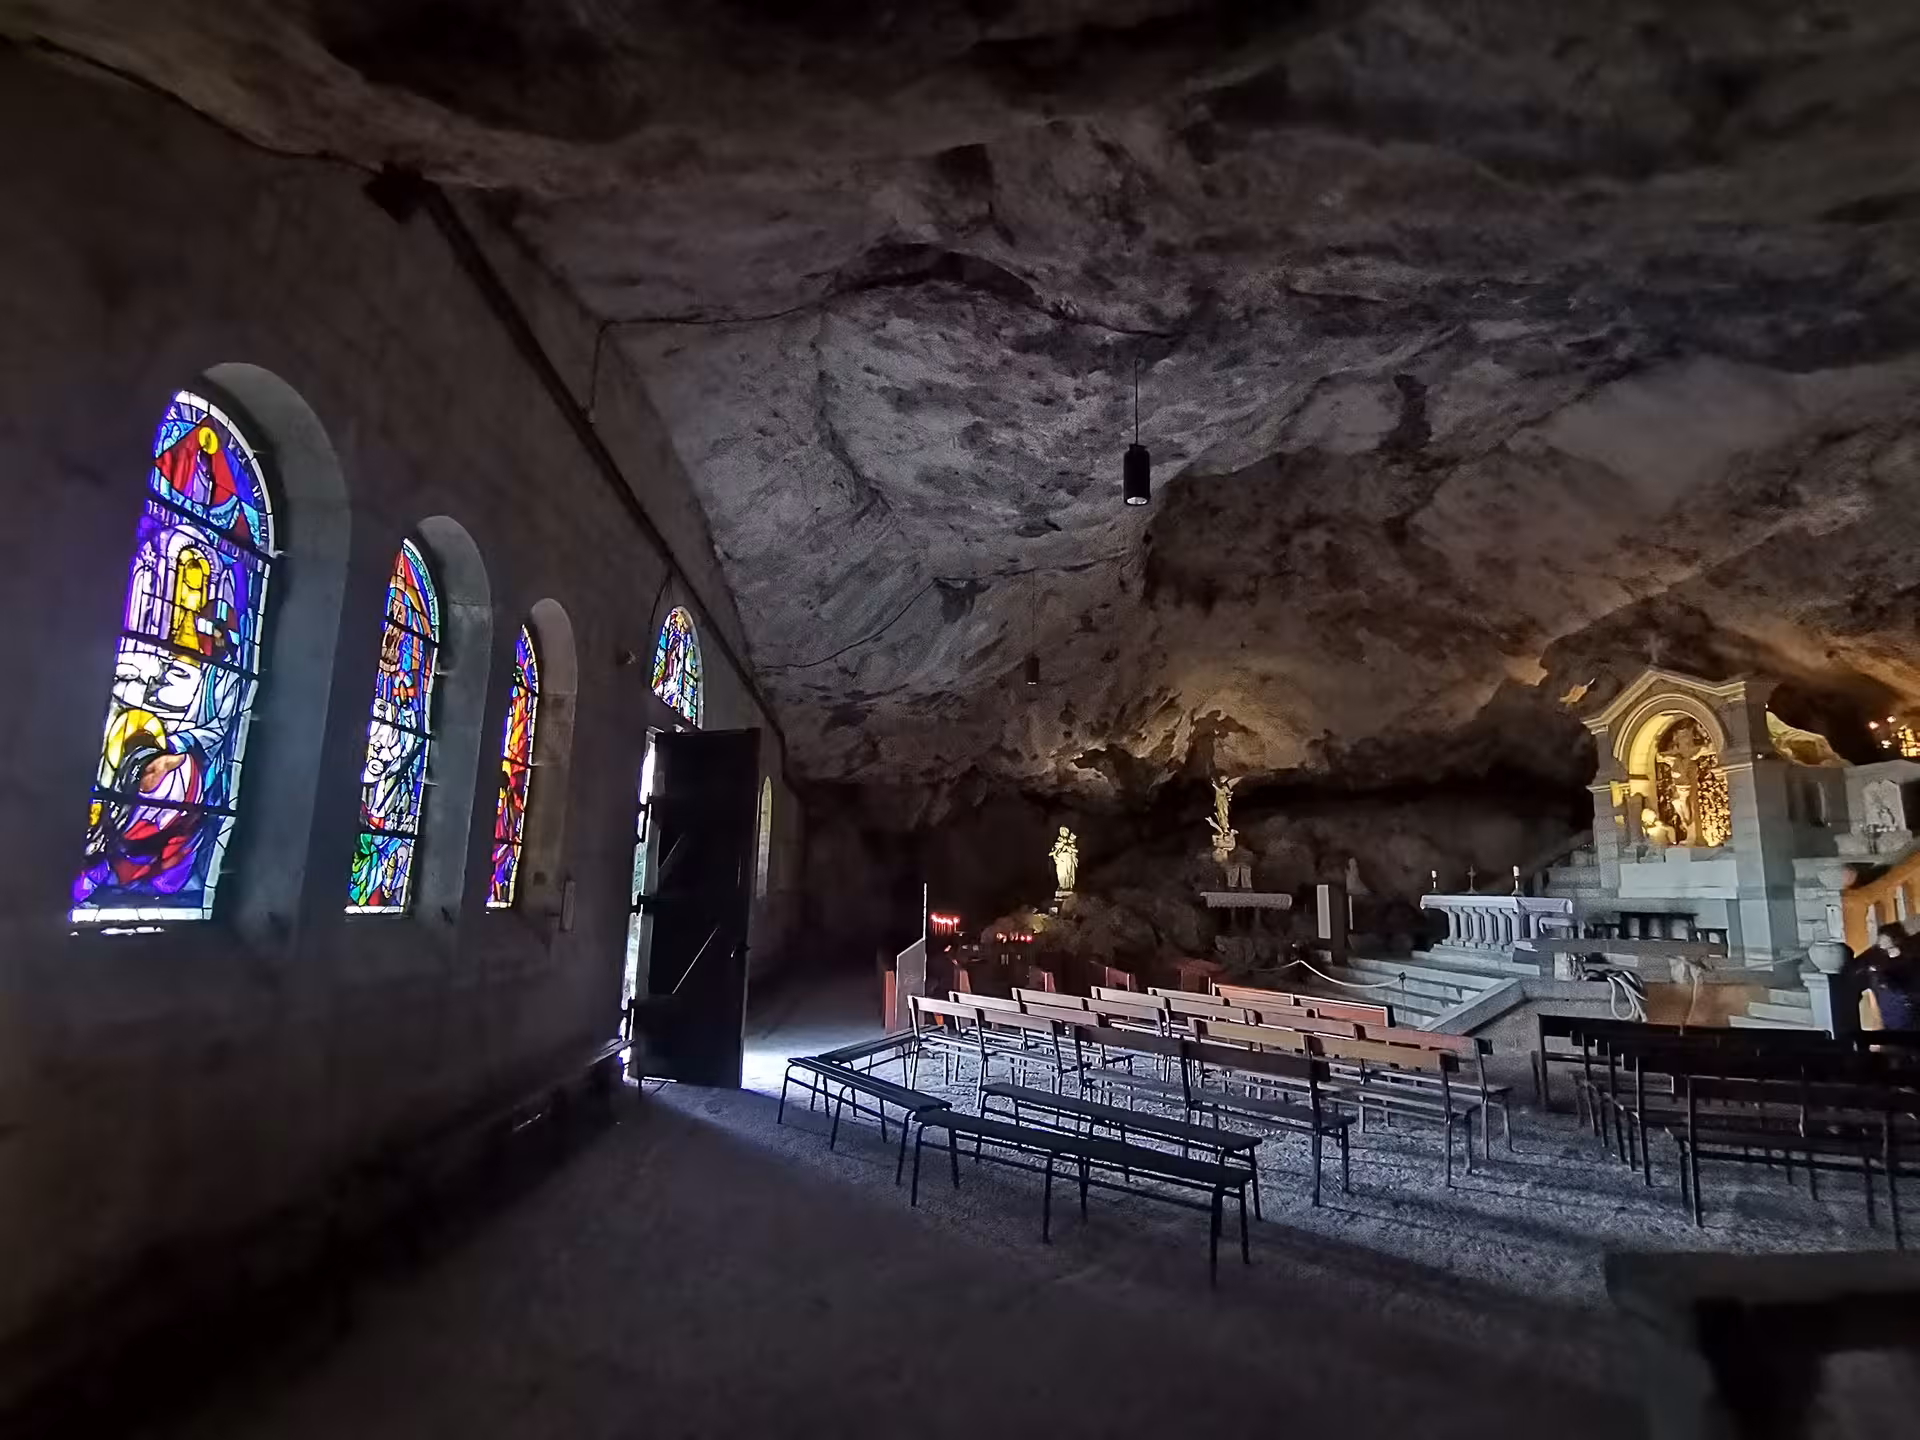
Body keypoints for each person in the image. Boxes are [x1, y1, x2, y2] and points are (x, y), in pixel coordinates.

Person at [1857, 923, 1920, 1030]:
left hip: (1904, 1012)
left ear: (1894, 938)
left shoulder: (1910, 961)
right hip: (1889, 1013)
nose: (1879, 941)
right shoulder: (1878, 959)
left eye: (1883, 936)